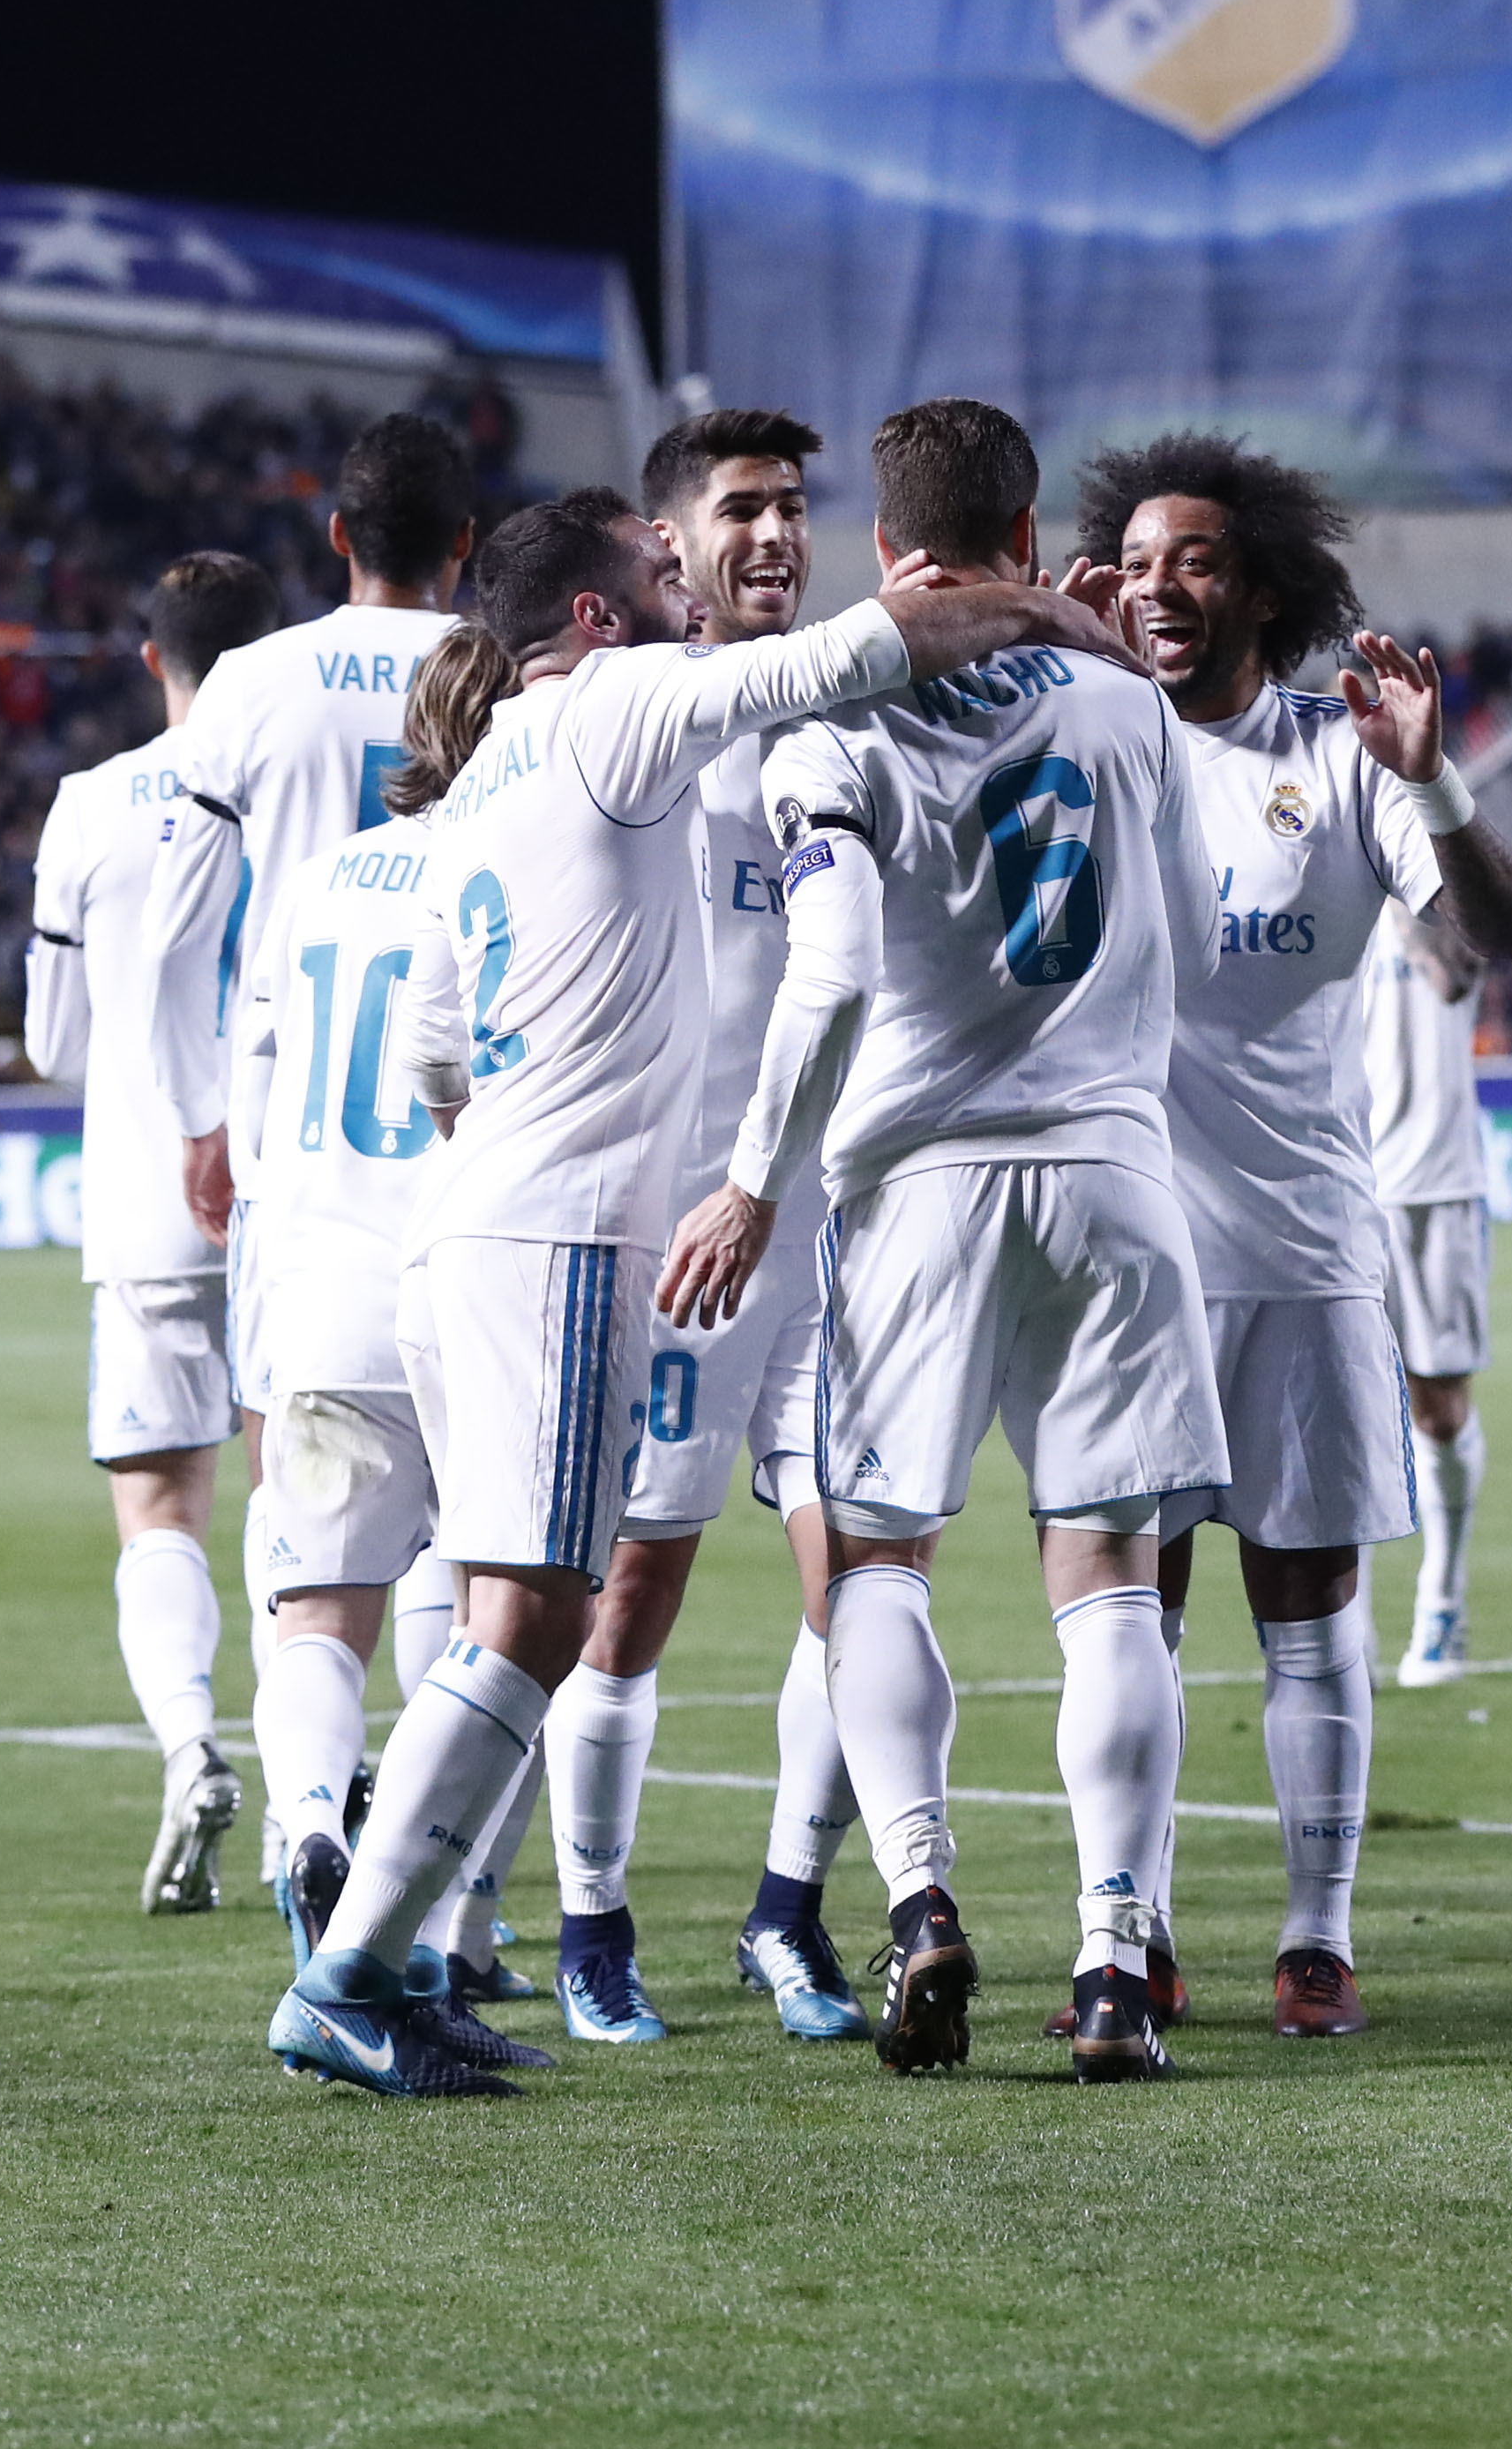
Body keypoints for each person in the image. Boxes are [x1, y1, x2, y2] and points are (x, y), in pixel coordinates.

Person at [265, 483, 1134, 2098]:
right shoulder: (618, 705)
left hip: (460, 1228)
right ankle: (354, 1975)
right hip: (558, 1241)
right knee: (539, 1614)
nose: (684, 587)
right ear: (590, 619)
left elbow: (437, 1056)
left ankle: (404, 1960)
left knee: (516, 1606)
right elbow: (870, 648)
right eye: (657, 570)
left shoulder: (472, 792)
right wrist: (1044, 613)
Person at [658, 397, 1224, 2087]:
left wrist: (757, 1180)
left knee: (880, 1562)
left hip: (914, 1180)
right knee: (1110, 1579)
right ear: (1033, 528)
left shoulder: (835, 711)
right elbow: (1190, 934)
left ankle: (916, 1903)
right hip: (1116, 1167)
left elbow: (827, 971)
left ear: (882, 548)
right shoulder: (1132, 704)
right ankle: (1118, 1962)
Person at [1088, 431, 1512, 2039]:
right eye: (1135, 566)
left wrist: (1433, 772)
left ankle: (1315, 1936)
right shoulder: (1085, 740)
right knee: (1127, 1613)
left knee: (1309, 1610)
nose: (1158, 589)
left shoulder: (1343, 759)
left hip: (1301, 1243)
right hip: (1124, 1257)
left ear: (1263, 589)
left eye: (1193, 562)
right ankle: (1121, 1934)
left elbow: (1491, 940)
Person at [536, 407, 870, 2048]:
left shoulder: (843, 715)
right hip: (680, 1218)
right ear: (666, 545)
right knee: (634, 1583)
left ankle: (788, 1910)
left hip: (833, 1210)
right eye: (743, 507)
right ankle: (591, 1926)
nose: (777, 537)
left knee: (862, 1574)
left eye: (796, 507)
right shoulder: (638, 718)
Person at [137, 414, 475, 1878]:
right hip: (472, 1143)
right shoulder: (503, 677)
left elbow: (167, 937)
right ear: (467, 544)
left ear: (337, 538)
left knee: (313, 1525)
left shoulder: (255, 682)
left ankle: (307, 1828)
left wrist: (202, 1119)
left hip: (305, 1137)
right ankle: (444, 1881)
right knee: (471, 1522)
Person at [231, 637, 537, 2009]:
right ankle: (445, 1919)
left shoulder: (318, 877)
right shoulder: (521, 858)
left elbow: (259, 1073)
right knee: (497, 1618)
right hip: (461, 1284)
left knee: (315, 1614)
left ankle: (308, 1822)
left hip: (321, 1290)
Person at [21, 550, 281, 1913]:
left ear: (152, 661)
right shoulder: (311, 784)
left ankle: (190, 1743)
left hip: (143, 1204)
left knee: (159, 1503)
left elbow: (48, 1040)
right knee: (310, 1502)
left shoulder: (85, 804)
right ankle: (325, 1794)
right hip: (302, 1192)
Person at [1366, 900, 1493, 1686]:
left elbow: (1454, 974)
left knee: (1437, 1406)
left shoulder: (1435, 874)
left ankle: (1442, 1600)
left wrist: (1390, 883)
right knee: (1333, 1409)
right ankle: (1343, 1618)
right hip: (1333, 1175)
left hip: (1436, 1178)